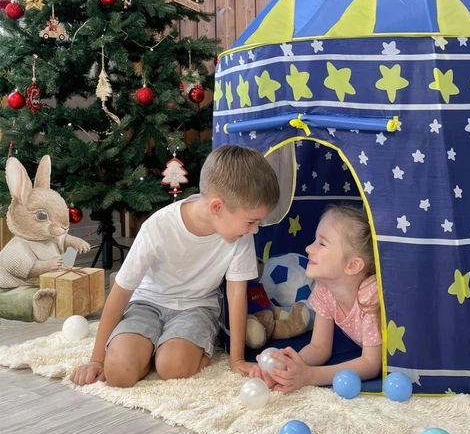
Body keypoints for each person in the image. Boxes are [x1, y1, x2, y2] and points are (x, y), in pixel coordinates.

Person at [69, 144, 280, 388]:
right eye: (251, 221)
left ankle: (162, 352)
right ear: (217, 207)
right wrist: (96, 360)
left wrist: (237, 359)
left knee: (173, 367)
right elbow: (121, 291)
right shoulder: (158, 226)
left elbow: (236, 294)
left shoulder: (241, 236)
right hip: (146, 304)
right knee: (118, 373)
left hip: (197, 307)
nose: (255, 230)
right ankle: (148, 351)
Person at [251, 204, 381, 393]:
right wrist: (286, 369)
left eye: (322, 243)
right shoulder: (325, 290)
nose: (309, 248)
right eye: (315, 240)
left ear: (353, 266)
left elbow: (371, 363)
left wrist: (310, 376)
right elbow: (319, 347)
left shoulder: (370, 294)